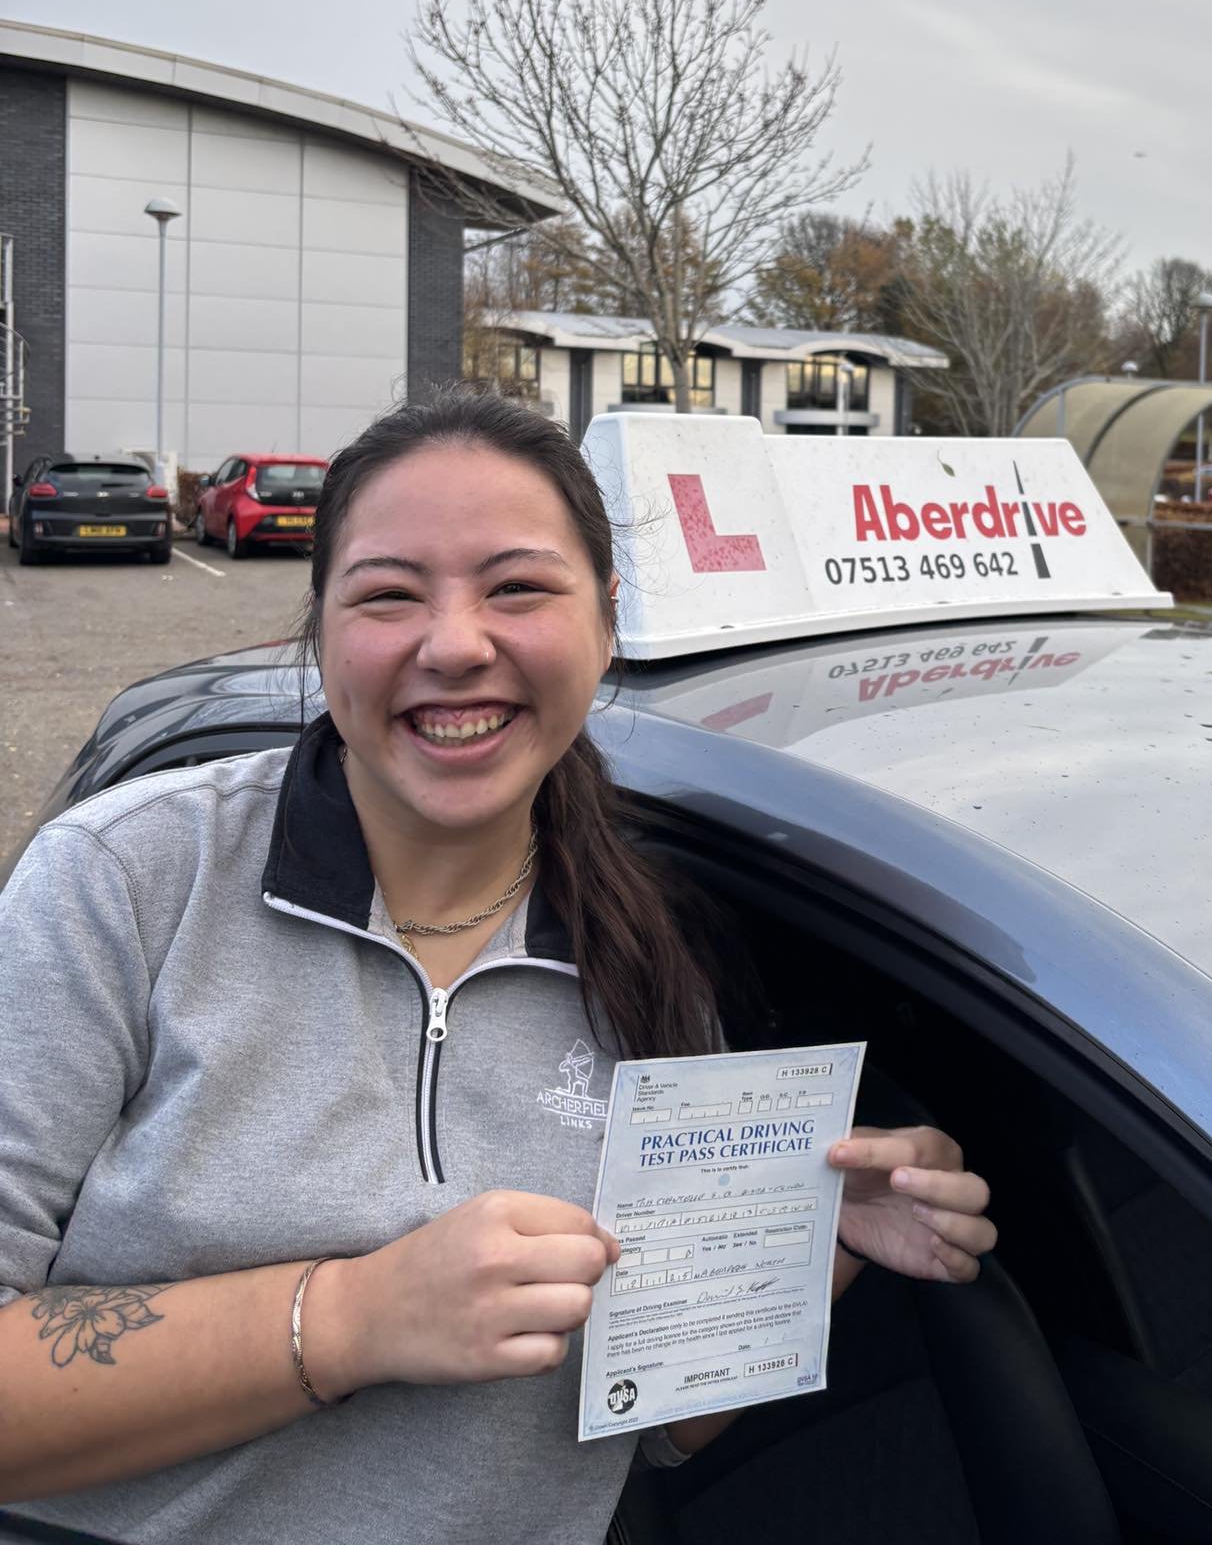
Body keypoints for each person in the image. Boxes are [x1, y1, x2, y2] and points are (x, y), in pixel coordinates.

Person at [0, 390, 995, 1544]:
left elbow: (650, 1428)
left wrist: (800, 1249)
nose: (457, 642)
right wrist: (352, 1317)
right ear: (320, 629)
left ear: (607, 622)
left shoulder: (656, 953)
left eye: (517, 587)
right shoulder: (126, 881)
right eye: (388, 593)